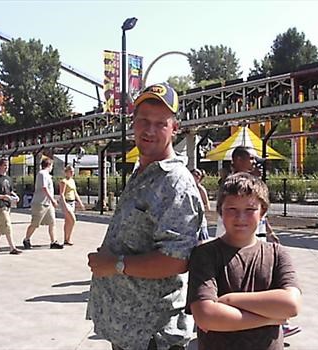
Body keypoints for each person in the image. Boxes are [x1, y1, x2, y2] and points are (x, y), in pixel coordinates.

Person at [87, 83, 205, 350]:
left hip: (153, 334)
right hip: (129, 329)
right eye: (143, 121)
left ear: (175, 128)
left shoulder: (175, 182)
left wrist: (114, 265)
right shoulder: (145, 172)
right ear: (133, 124)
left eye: (160, 123)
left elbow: (176, 260)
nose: (149, 130)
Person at [186, 172, 302, 350]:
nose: (240, 218)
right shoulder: (205, 255)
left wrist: (230, 300)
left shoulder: (277, 254)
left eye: (250, 210)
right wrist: (270, 318)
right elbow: (206, 316)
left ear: (262, 212)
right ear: (220, 211)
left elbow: (290, 304)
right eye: (232, 209)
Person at [23, 158, 63, 249]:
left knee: (52, 222)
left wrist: (51, 201)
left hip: (48, 204)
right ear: (49, 165)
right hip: (40, 203)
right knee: (35, 223)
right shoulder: (42, 174)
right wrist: (53, 200)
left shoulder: (48, 175)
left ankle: (54, 241)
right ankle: (26, 239)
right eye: (52, 165)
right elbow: (44, 188)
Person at [0, 159, 22, 254]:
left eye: (7, 165)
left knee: (0, 226)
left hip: (7, 206)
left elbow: (9, 190)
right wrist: (3, 197)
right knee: (7, 224)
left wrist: (15, 196)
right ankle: (12, 247)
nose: (7, 167)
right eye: (5, 165)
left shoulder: (8, 178)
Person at [59, 165, 85, 245]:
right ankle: (68, 238)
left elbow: (75, 192)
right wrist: (64, 204)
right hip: (66, 202)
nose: (72, 173)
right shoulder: (63, 181)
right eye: (70, 172)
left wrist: (80, 202)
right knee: (73, 220)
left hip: (72, 202)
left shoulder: (72, 181)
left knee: (68, 221)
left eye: (73, 172)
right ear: (66, 172)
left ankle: (66, 239)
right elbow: (62, 194)